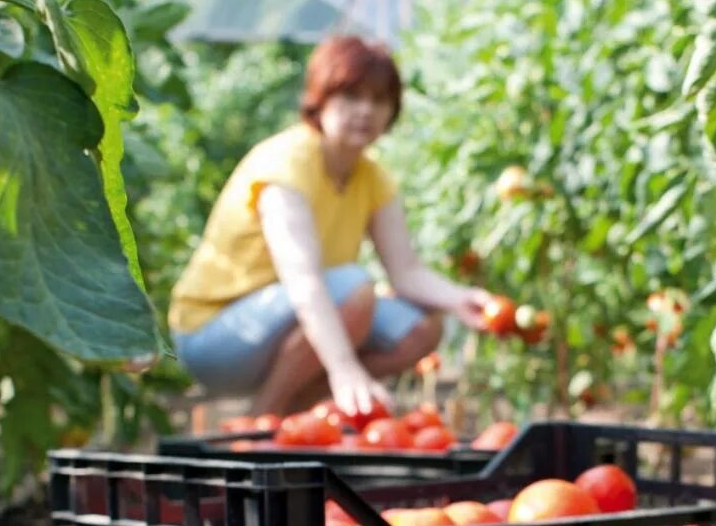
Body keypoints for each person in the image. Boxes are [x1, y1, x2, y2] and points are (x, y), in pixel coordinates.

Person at [168, 36, 491, 420]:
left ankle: (295, 420)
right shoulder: (286, 163)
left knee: (422, 329)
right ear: (319, 100)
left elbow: (406, 272)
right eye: (351, 97)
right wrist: (343, 368)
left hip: (291, 325)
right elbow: (303, 282)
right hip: (216, 338)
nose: (365, 111)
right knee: (354, 289)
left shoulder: (373, 178)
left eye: (378, 100)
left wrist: (461, 299)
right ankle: (261, 422)